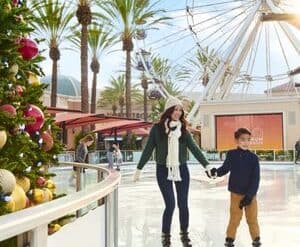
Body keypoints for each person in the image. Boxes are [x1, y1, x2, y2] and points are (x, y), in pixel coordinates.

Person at [133, 96, 210, 247]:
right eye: (175, 109)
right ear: (169, 110)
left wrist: (206, 165)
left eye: (180, 110)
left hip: (181, 169)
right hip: (163, 170)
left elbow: (194, 149)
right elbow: (148, 150)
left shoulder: (183, 130)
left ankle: (184, 235)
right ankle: (165, 237)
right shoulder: (157, 129)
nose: (178, 112)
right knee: (170, 204)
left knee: (183, 204)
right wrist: (139, 169)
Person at [209, 128, 261, 247]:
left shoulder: (253, 158)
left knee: (252, 218)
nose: (246, 142)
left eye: (248, 140)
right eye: (242, 139)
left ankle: (256, 239)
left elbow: (256, 178)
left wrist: (249, 195)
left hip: (250, 195)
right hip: (236, 193)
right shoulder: (232, 154)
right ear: (236, 140)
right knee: (235, 218)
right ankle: (230, 239)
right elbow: (225, 169)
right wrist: (215, 172)